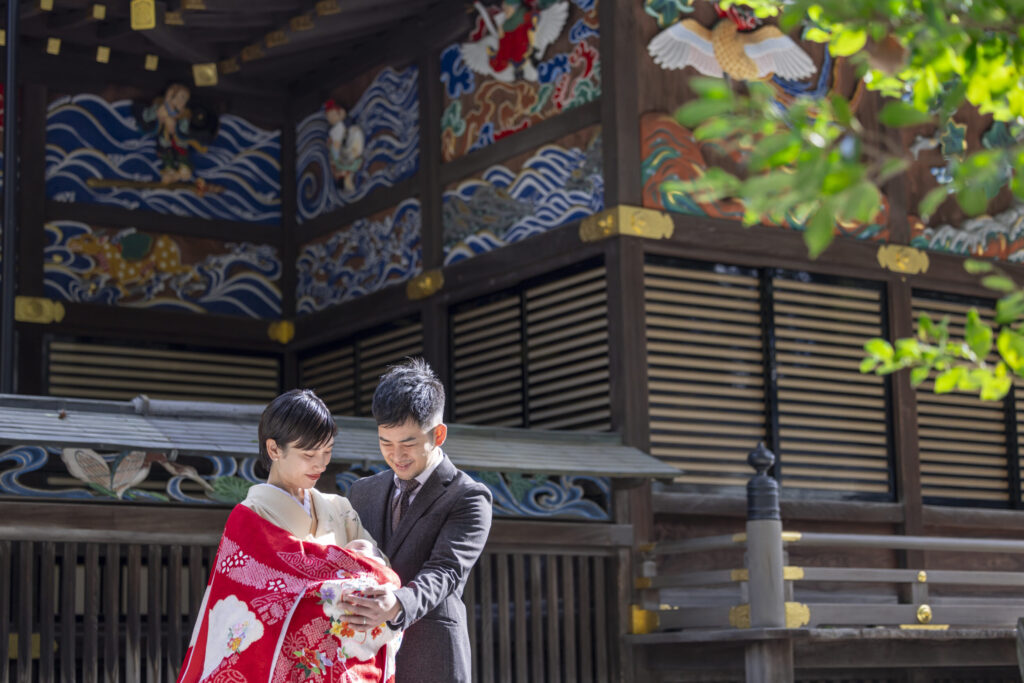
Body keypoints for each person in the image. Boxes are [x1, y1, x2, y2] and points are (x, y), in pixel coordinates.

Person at [178, 389, 400, 683]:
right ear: (274, 449)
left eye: (327, 451)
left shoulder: (340, 509)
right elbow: (248, 609)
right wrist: (340, 580)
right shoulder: (249, 517)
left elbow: (382, 575)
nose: (321, 464)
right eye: (309, 454)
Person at [344, 358, 493, 683]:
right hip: (363, 659)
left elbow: (445, 571)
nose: (396, 455)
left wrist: (398, 603)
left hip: (431, 657)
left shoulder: (468, 496)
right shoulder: (362, 492)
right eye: (385, 442)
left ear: (438, 434)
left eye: (408, 443)